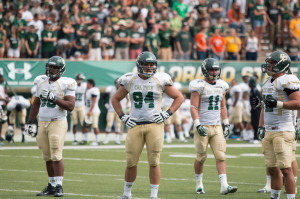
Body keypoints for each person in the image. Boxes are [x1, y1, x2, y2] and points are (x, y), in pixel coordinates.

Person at [112, 51, 184, 199]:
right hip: (134, 124)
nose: (149, 67)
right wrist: (122, 116)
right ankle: (126, 194)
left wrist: (167, 113)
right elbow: (115, 99)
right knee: (131, 161)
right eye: (146, 64)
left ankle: (154, 195)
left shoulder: (161, 79)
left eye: (151, 64)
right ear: (139, 65)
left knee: (154, 161)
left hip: (154, 124)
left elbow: (179, 97)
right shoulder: (129, 79)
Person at [25, 56, 76, 197]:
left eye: (54, 67)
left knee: (56, 153)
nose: (51, 69)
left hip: (58, 121)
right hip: (42, 121)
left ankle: (59, 186)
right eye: (50, 66)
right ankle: (51, 185)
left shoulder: (67, 83)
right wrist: (29, 122)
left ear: (61, 69)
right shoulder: (40, 81)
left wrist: (55, 98)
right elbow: (36, 103)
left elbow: (70, 106)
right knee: (46, 156)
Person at [254, 50, 300, 199]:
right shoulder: (267, 81)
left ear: (282, 65)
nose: (269, 65)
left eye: (272, 63)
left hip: (283, 130)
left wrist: (278, 103)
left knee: (286, 170)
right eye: (269, 62)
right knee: (272, 169)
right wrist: (261, 125)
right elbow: (266, 106)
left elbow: (298, 102)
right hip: (269, 131)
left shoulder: (288, 79)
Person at [189, 58, 238, 195]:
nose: (214, 72)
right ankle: (199, 184)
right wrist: (197, 124)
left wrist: (226, 123)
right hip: (203, 125)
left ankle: (224, 185)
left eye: (216, 69)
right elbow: (193, 107)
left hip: (217, 126)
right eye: (211, 69)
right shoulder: (198, 85)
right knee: (201, 157)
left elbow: (223, 106)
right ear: (205, 70)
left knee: (221, 155)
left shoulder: (222, 85)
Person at [104, 79, 129, 145]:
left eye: (119, 83)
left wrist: (125, 107)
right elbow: (105, 96)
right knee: (109, 124)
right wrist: (106, 104)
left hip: (120, 110)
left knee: (118, 125)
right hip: (111, 110)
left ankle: (117, 139)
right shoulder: (111, 89)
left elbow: (127, 99)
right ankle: (106, 139)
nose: (118, 84)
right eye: (117, 83)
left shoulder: (123, 89)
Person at [80, 79, 101, 146]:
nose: (86, 85)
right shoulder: (88, 90)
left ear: (91, 84)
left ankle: (97, 141)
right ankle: (85, 139)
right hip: (88, 110)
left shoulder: (94, 90)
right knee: (84, 125)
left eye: (87, 83)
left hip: (93, 111)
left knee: (94, 126)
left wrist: (90, 111)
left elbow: (93, 101)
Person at [71, 73, 87, 145]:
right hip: (74, 107)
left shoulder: (85, 85)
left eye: (81, 79)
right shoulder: (72, 85)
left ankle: (84, 138)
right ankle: (75, 139)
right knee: (74, 123)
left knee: (83, 123)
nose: (80, 80)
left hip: (81, 106)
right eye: (79, 79)